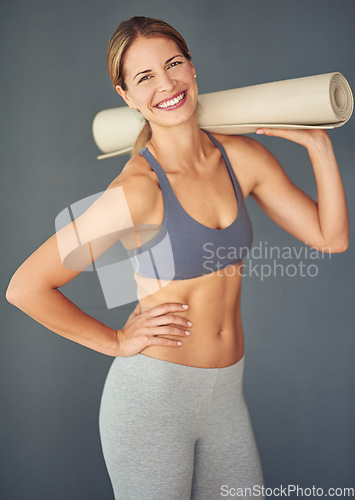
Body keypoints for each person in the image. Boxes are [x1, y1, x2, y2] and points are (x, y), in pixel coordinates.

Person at [6, 15, 349, 500]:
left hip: (227, 397)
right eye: (144, 77)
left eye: (174, 64)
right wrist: (116, 341)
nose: (166, 84)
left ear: (192, 67)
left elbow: (331, 238)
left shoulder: (241, 158)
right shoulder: (137, 191)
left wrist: (319, 145)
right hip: (153, 401)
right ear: (125, 95)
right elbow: (24, 287)